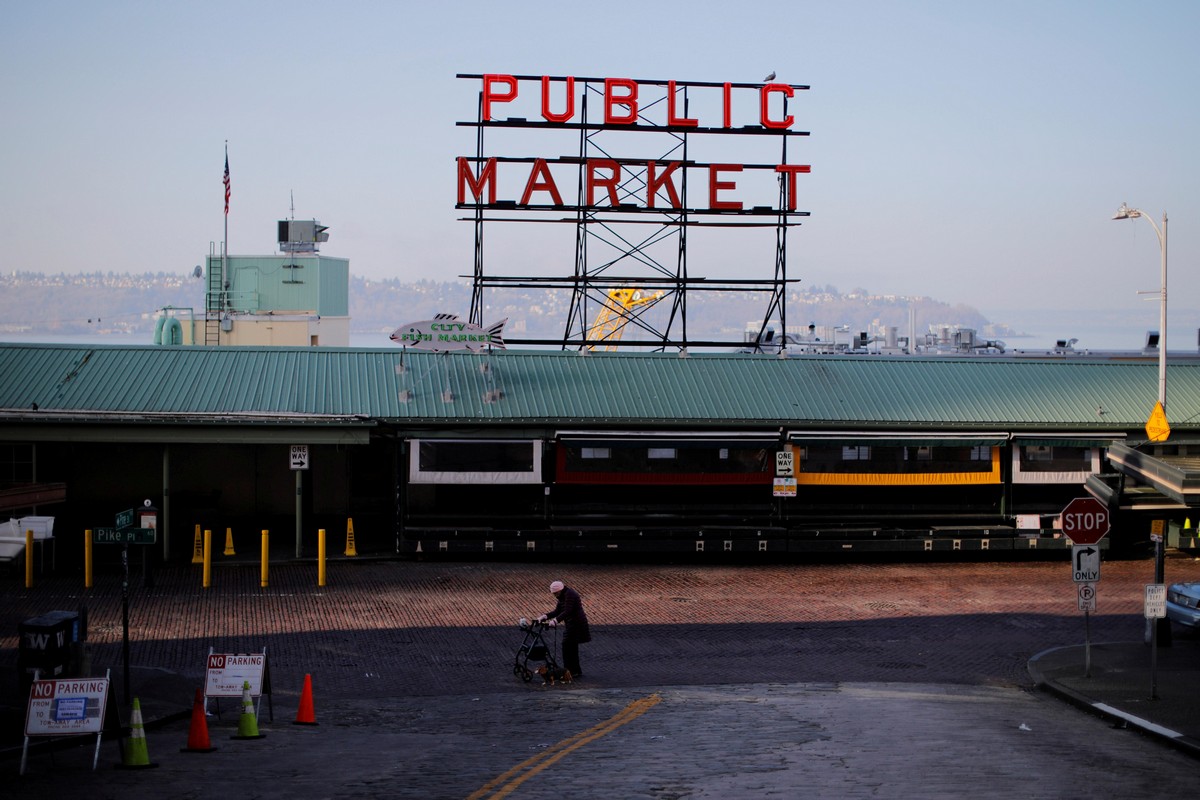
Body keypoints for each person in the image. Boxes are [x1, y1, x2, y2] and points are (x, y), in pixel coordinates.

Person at [538, 579, 591, 678]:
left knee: (567, 646)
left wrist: (555, 621)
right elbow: (557, 611)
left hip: (576, 624)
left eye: (555, 593)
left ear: (559, 591)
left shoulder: (569, 595)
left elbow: (567, 611)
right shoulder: (563, 596)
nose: (554, 596)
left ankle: (569, 671)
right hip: (572, 624)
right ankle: (575, 671)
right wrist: (545, 616)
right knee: (571, 648)